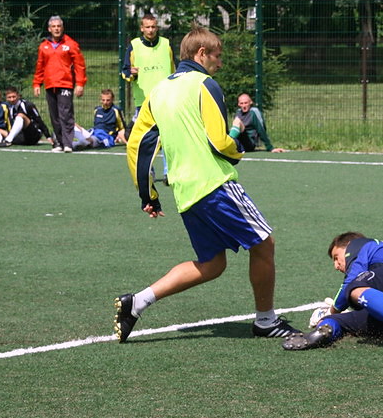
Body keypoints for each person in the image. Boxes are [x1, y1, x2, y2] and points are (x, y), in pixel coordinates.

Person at [114, 25, 298, 343]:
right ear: (201, 53)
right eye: (217, 55)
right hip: (215, 184)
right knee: (264, 243)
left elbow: (137, 144)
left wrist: (149, 194)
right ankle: (266, 321)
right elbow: (218, 139)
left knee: (212, 264)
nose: (219, 63)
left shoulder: (157, 91)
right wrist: (236, 149)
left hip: (186, 193)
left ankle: (137, 302)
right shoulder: (205, 85)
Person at [282, 232, 383, 351]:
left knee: (354, 289)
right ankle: (325, 330)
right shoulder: (374, 280)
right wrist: (329, 318)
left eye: (336, 257)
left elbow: (350, 284)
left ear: (348, 245)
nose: (336, 266)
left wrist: (331, 311)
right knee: (342, 321)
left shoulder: (359, 245)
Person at [121, 13, 175, 176]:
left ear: (157, 28)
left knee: (167, 137)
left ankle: (168, 172)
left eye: (153, 27)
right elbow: (124, 71)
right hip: (143, 102)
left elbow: (174, 68)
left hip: (165, 99)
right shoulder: (134, 45)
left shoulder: (166, 45)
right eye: (147, 27)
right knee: (145, 139)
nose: (150, 30)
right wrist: (131, 73)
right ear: (142, 28)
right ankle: (147, 170)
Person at [33, 16, 86, 153]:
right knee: (54, 115)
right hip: (50, 84)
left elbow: (80, 65)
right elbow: (40, 66)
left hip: (65, 84)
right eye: (54, 26)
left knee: (65, 114)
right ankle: (59, 143)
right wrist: (37, 83)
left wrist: (80, 83)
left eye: (59, 26)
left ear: (62, 28)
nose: (56, 29)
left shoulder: (71, 44)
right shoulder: (43, 46)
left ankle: (68, 143)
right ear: (49, 29)